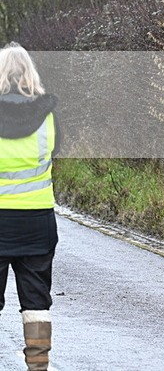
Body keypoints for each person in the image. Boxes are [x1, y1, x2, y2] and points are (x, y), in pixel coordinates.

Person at [0, 42, 59, 371]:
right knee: (36, 300)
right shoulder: (47, 115)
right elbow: (55, 152)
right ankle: (38, 366)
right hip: (37, 220)